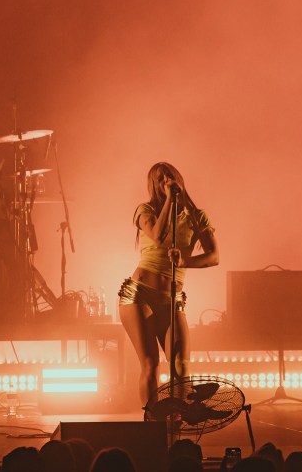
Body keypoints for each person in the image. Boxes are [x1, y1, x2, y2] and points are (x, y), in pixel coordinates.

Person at [119, 162, 219, 413]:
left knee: (180, 367)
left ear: (178, 179)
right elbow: (158, 235)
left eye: (169, 176)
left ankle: (175, 420)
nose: (166, 181)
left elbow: (214, 256)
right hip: (139, 295)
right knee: (151, 364)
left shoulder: (197, 216)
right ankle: (151, 423)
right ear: (154, 185)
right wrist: (170, 203)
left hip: (172, 298)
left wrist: (185, 261)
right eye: (160, 179)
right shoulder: (146, 210)